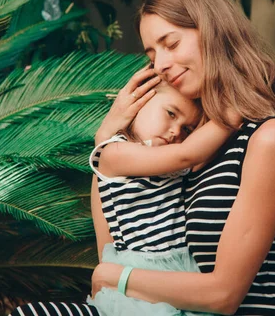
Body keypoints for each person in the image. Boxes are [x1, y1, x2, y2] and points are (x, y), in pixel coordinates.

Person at [10, 0, 275, 316]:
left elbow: (223, 295)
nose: (161, 64)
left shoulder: (270, 139)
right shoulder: (191, 144)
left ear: (211, 31)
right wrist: (106, 139)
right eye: (152, 54)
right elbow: (116, 242)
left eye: (171, 43)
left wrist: (117, 277)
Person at [86, 80, 234, 316]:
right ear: (138, 104)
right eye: (170, 113)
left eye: (187, 129)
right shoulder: (113, 152)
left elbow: (198, 153)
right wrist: (233, 113)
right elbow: (188, 154)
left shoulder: (166, 160)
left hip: (180, 272)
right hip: (140, 272)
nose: (176, 131)